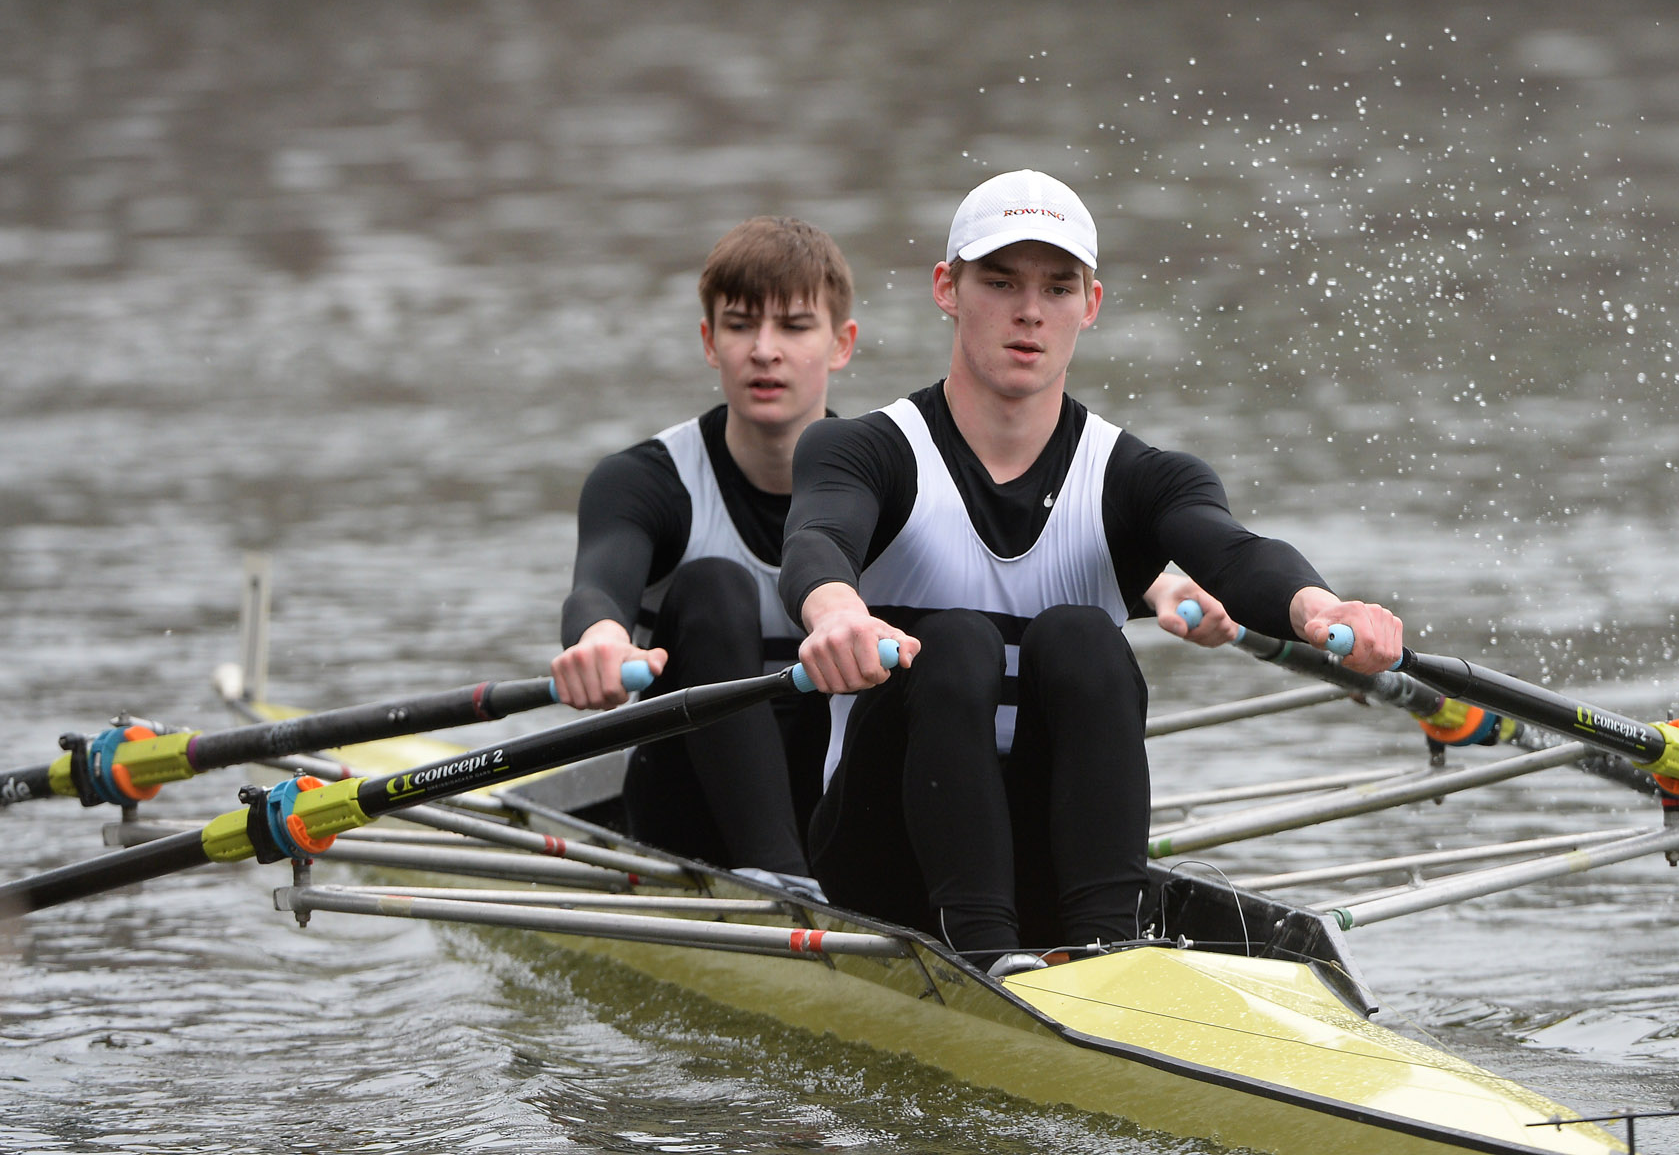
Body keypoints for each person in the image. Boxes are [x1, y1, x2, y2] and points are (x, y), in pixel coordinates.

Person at [778, 170, 1404, 965]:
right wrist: (835, 612)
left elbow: (1234, 552)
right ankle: (985, 955)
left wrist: (1321, 610)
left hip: (1051, 856)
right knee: (959, 642)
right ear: (947, 288)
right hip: (885, 861)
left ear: (1091, 305)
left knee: (1081, 636)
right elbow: (818, 539)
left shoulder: (1140, 475)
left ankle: (1108, 950)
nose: (1030, 310)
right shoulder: (864, 449)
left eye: (1057, 286)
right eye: (1000, 281)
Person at [551, 216, 857, 889]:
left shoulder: (894, 476)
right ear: (709, 343)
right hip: (686, 818)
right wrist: (601, 639)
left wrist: (1144, 585)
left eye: (795, 327)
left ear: (842, 345)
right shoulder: (645, 479)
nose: (764, 351)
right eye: (741, 325)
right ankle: (779, 880)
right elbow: (598, 589)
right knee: (715, 585)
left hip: (841, 808)